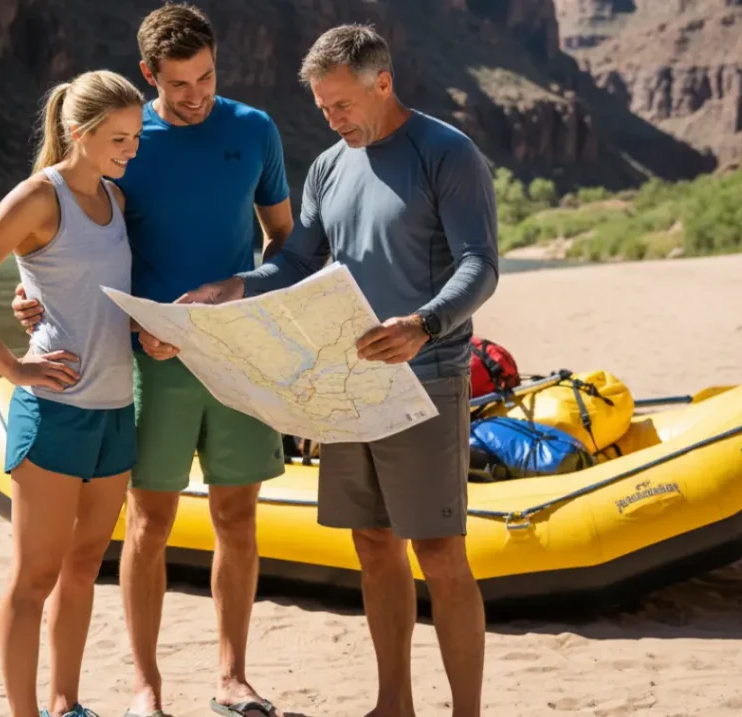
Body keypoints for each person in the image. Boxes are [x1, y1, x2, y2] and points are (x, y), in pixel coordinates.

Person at [173, 24, 499, 717]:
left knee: (440, 554)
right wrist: (225, 291)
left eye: (342, 104)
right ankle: (394, 705)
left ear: (383, 83)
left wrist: (423, 323)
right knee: (374, 542)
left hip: (427, 374)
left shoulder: (447, 153)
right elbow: (295, 262)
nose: (333, 118)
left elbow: (480, 264)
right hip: (349, 383)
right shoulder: (326, 166)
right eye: (322, 107)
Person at [10, 5, 295, 717]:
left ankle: (233, 677)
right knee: (150, 522)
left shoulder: (255, 130)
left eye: (207, 77)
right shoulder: (129, 138)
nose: (196, 95)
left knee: (237, 516)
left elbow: (285, 248)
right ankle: (147, 687)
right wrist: (31, 290)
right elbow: (66, 224)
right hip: (149, 357)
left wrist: (242, 299)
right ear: (149, 75)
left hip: (236, 355)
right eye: (180, 83)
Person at [0, 70, 145, 717]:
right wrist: (14, 367)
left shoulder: (118, 200)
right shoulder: (37, 198)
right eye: (118, 138)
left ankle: (65, 702)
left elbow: (99, 296)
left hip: (116, 411)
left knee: (85, 568)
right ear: (76, 133)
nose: (130, 150)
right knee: (34, 579)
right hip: (54, 413)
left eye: (135, 137)